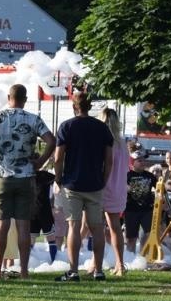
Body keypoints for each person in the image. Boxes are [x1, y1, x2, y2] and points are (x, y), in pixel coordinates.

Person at [0, 84, 53, 280]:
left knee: (1, 226)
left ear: (9, 97)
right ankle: (24, 271)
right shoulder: (33, 119)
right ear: (25, 99)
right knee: (24, 226)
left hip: (2, 176)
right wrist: (40, 162)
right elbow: (51, 140)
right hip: (26, 176)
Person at [52, 89, 112, 281]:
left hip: (72, 184)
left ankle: (74, 270)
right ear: (90, 106)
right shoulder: (102, 128)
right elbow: (109, 159)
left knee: (73, 227)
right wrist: (104, 179)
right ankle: (99, 270)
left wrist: (58, 178)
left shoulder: (66, 126)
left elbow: (59, 157)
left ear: (74, 106)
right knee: (97, 228)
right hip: (95, 184)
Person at [98, 110, 131, 276]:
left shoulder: (104, 141)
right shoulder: (123, 143)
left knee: (93, 227)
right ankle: (120, 264)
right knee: (115, 227)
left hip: (103, 187)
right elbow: (126, 168)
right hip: (119, 188)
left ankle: (94, 264)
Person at [123, 149, 157, 256]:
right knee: (131, 238)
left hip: (147, 210)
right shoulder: (127, 175)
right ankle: (130, 258)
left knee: (149, 234)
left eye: (143, 160)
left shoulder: (150, 176)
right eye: (139, 161)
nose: (143, 163)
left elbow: (160, 190)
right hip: (131, 210)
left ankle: (144, 257)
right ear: (133, 162)